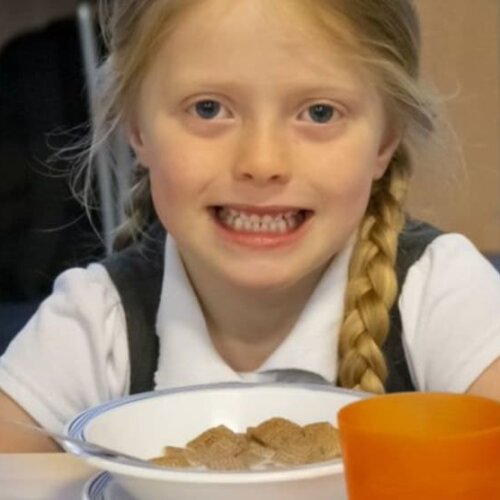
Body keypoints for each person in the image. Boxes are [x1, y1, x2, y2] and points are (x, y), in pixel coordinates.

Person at [1, 0, 500, 452]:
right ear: (136, 128)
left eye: (319, 112)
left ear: (385, 141)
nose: (262, 162)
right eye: (209, 108)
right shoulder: (95, 321)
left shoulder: (441, 292)